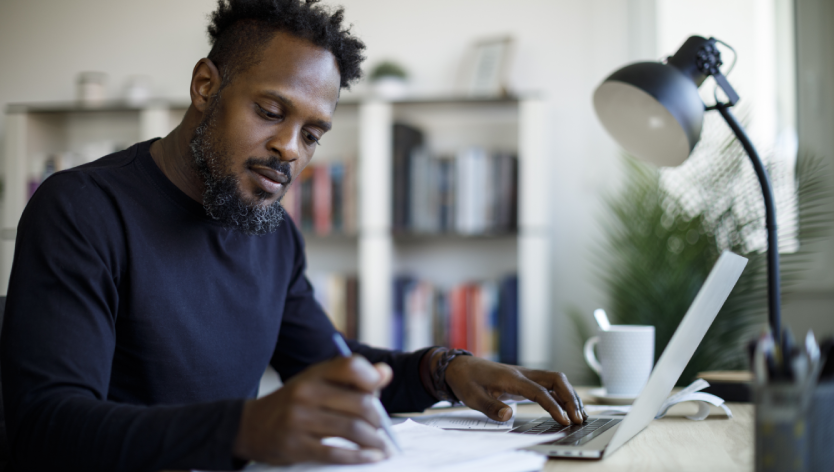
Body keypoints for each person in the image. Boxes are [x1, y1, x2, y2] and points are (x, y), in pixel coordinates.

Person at [0, 0, 586, 470]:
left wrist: (444, 370)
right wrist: (246, 428)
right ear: (206, 86)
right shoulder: (81, 210)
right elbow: (47, 426)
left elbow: (327, 366)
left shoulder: (273, 233)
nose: (289, 149)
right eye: (271, 111)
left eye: (312, 134)